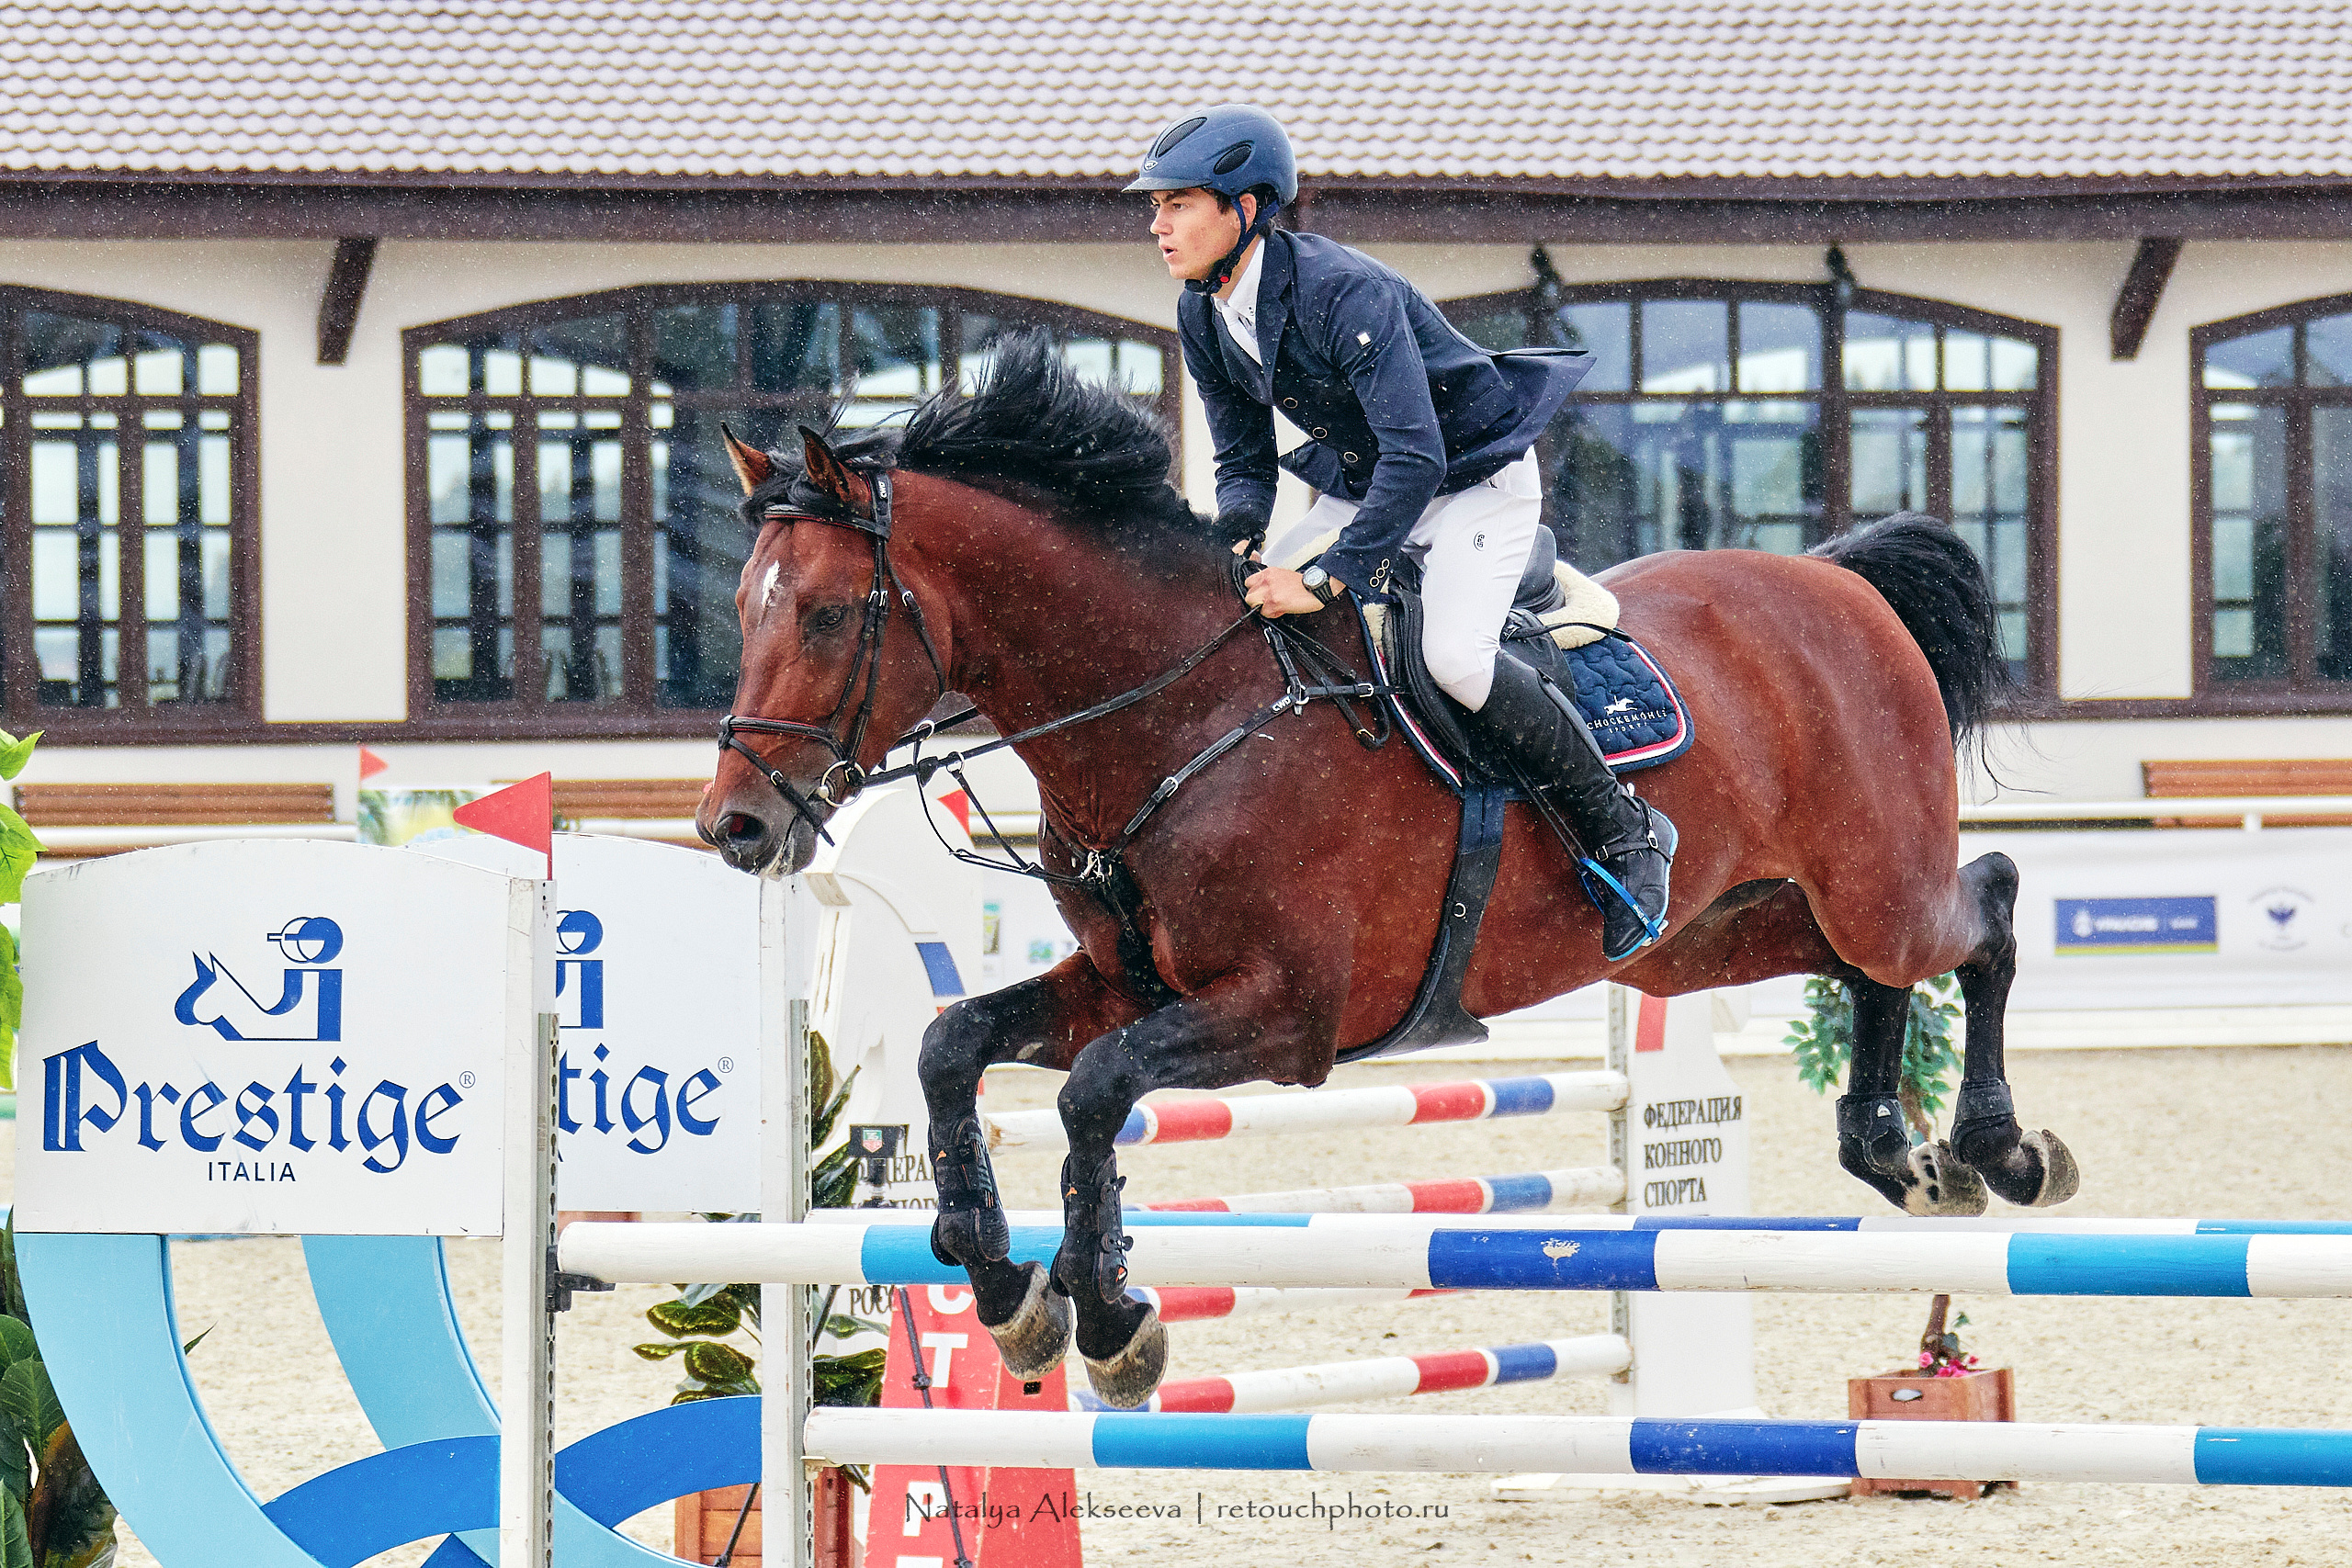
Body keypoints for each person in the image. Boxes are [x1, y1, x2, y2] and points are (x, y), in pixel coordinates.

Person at [1128, 104, 1676, 961]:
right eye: (1154, 206)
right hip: (1363, 482)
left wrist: (1326, 577)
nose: (1157, 225)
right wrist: (1237, 542)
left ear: (1245, 208)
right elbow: (1242, 458)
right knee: (1229, 618)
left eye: (1179, 204)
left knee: (1453, 658)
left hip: (1470, 482)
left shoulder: (1344, 292)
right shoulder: (1203, 311)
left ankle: (1628, 830)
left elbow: (1417, 457)